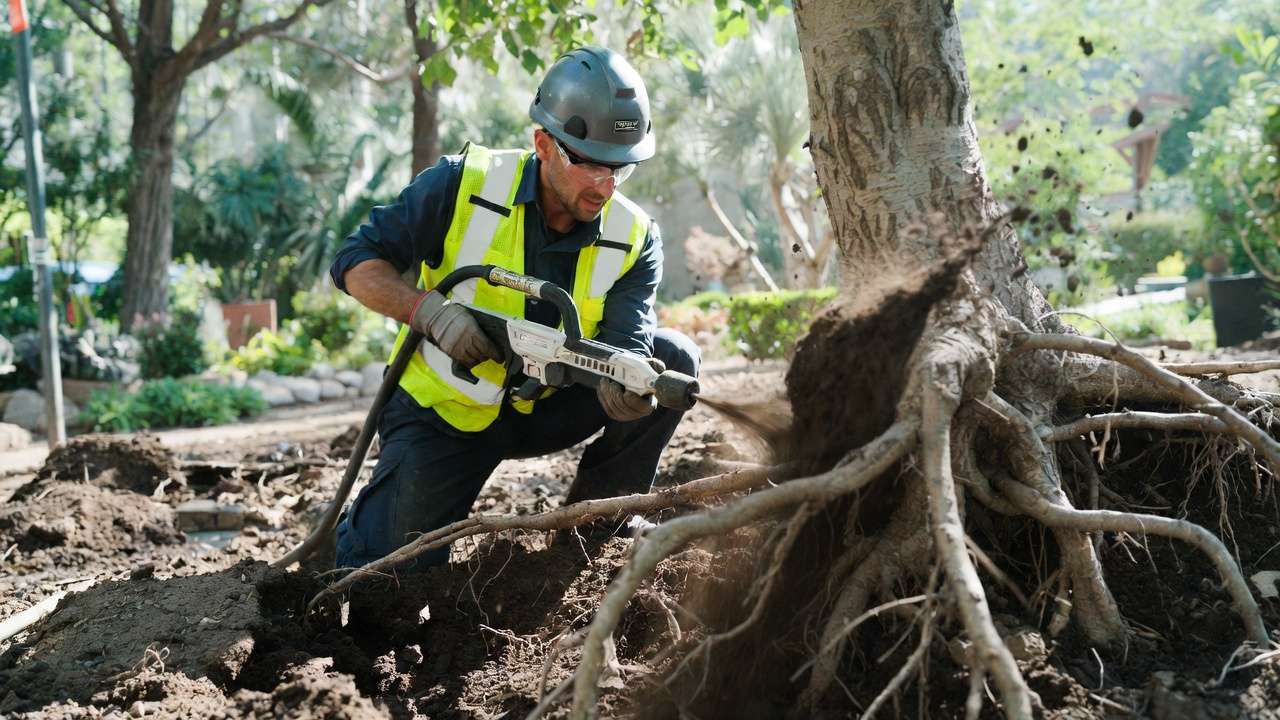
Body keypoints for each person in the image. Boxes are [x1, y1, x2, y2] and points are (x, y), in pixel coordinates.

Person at [328, 46, 700, 569]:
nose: (606, 186)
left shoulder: (635, 235)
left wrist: (628, 384)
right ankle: (362, 531)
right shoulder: (461, 185)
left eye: (621, 169)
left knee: (672, 360)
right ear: (543, 143)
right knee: (385, 577)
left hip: (547, 406)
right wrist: (428, 313)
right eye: (590, 164)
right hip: (446, 415)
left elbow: (628, 340)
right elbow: (354, 264)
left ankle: (597, 529)